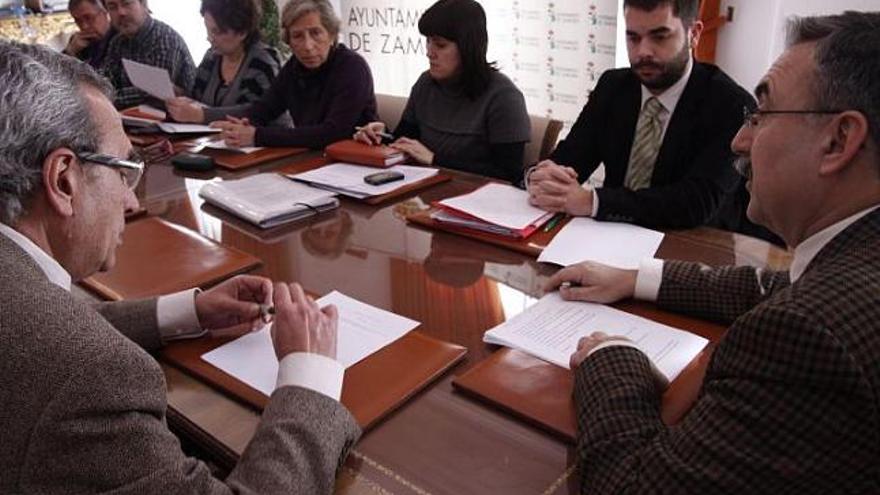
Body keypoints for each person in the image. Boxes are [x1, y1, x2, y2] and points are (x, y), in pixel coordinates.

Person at [0, 40, 359, 493]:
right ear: (62, 179)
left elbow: (42, 327)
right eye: (125, 170)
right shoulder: (92, 377)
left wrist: (189, 311)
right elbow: (63, 349)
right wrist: (309, 373)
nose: (131, 200)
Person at [544, 11, 880, 493]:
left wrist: (613, 356)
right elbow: (772, 285)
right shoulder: (856, 251)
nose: (740, 140)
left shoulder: (809, 334)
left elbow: (633, 487)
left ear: (840, 140)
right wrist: (635, 278)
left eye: (762, 116)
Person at [527, 0, 755, 230]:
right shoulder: (613, 86)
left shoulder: (731, 105)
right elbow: (571, 158)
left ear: (693, 34)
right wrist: (541, 177)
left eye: (659, 37)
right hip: (606, 236)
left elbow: (696, 203)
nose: (643, 51)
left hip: (690, 244)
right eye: (633, 37)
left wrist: (591, 201)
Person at [354, 0, 531, 184]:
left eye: (440, 45)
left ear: (467, 47)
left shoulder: (503, 96)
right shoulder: (426, 83)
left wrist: (434, 159)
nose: (429, 52)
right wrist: (381, 135)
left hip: (475, 199)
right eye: (428, 41)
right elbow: (405, 142)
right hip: (424, 192)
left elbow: (508, 174)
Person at [208, 0, 378, 149]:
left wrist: (256, 136)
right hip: (311, 161)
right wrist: (238, 126)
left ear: (332, 35)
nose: (308, 46)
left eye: (315, 33)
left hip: (357, 165)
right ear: (288, 41)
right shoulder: (294, 67)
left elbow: (333, 132)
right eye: (297, 36)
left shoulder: (353, 67)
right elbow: (264, 109)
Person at [165, 0, 283, 125]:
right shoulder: (212, 57)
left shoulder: (262, 62)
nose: (209, 38)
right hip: (213, 141)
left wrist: (202, 115)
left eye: (217, 32)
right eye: (207, 29)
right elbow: (196, 99)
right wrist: (177, 98)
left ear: (242, 32)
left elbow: (257, 112)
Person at [98, 0, 197, 109]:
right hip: (130, 116)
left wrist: (104, 99)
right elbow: (104, 82)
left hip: (173, 120)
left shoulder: (164, 38)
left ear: (144, 5)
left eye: (126, 3)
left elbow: (155, 93)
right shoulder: (117, 42)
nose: (121, 12)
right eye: (112, 7)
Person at [62, 0, 116, 68]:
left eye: (88, 18)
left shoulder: (121, 37)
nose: (84, 26)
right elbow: (55, 74)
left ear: (104, 12)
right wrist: (70, 52)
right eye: (78, 21)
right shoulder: (77, 42)